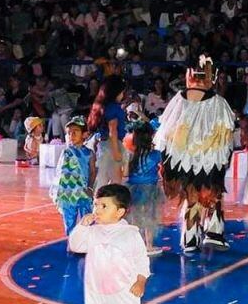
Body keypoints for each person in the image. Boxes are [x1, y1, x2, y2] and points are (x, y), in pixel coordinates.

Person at [68, 184, 154, 304]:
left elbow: (141, 259)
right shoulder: (92, 232)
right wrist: (82, 226)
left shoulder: (130, 234)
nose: (97, 210)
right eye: (96, 205)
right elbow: (75, 245)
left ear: (120, 212)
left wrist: (140, 281)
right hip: (96, 291)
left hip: (124, 292)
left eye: (104, 206)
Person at [154, 56, 236, 252]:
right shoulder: (218, 102)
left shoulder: (178, 100)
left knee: (192, 193)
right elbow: (226, 133)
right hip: (210, 158)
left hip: (185, 159)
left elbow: (166, 133)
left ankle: (191, 237)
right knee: (213, 192)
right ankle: (213, 232)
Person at [123, 121, 165, 256]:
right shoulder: (156, 154)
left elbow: (125, 173)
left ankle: (137, 244)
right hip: (150, 189)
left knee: (135, 217)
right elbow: (162, 172)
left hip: (133, 189)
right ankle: (149, 246)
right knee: (149, 217)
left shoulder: (130, 154)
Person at [51, 116, 96, 236]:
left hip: (83, 192)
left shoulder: (89, 153)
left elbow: (92, 172)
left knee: (87, 221)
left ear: (85, 134)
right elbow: (59, 173)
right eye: (69, 133)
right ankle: (71, 244)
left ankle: (86, 245)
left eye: (75, 132)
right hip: (68, 193)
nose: (71, 135)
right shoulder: (66, 152)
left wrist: (90, 188)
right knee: (69, 223)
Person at [87, 75, 127, 186]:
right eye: (122, 92)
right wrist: (116, 152)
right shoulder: (114, 107)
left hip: (103, 145)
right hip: (112, 145)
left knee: (101, 179)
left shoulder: (101, 106)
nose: (123, 95)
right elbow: (112, 130)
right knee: (115, 182)